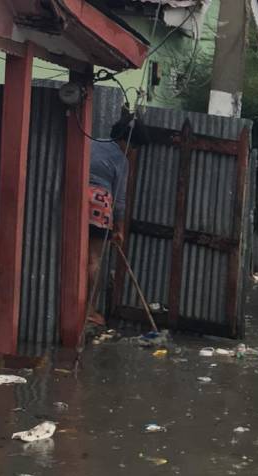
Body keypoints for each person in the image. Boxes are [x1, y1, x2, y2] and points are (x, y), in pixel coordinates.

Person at [87, 115, 145, 326]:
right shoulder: (122, 160)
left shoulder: (91, 143)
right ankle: (90, 311)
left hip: (76, 197)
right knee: (93, 260)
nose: (132, 151)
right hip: (98, 205)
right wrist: (119, 230)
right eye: (134, 146)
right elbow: (119, 201)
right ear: (129, 141)